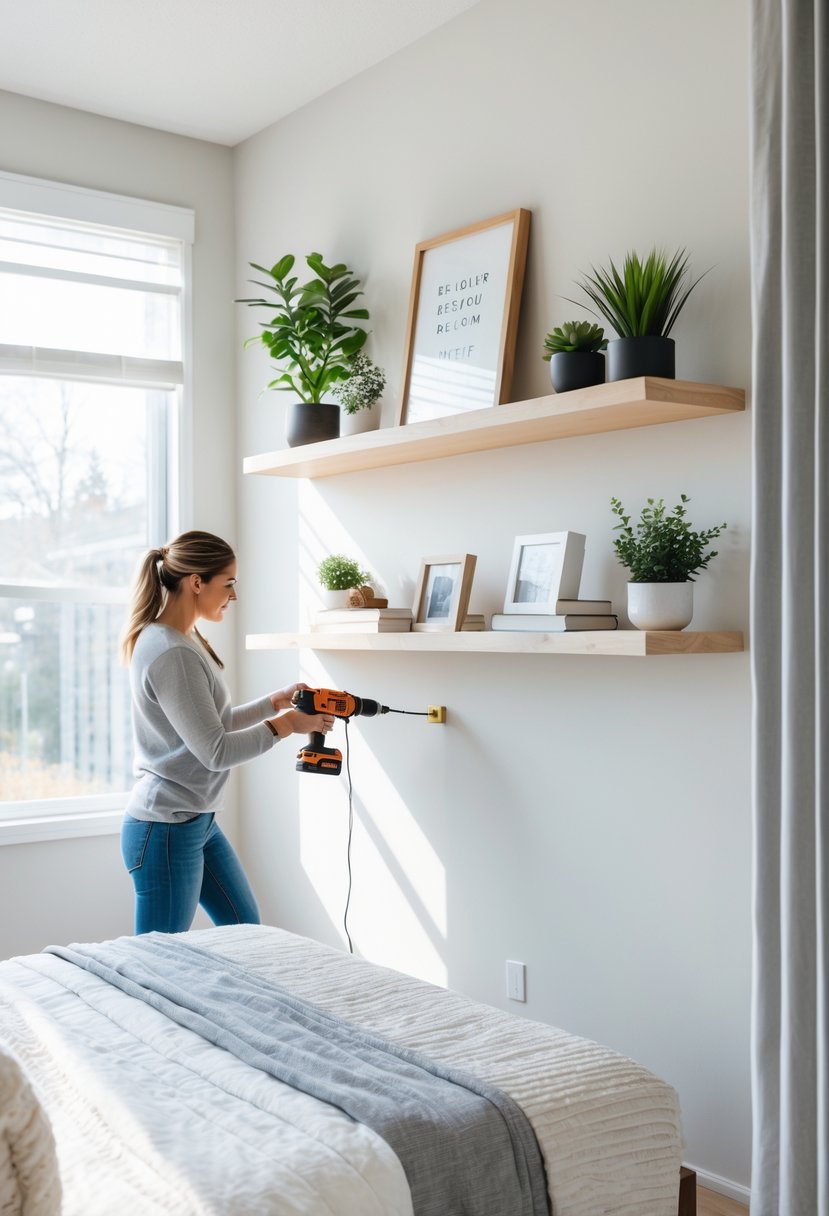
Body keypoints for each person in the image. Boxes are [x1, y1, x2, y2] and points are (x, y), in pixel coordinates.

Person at [118, 529, 334, 935]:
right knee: (159, 957)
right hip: (166, 827)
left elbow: (207, 726)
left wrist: (274, 703)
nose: (234, 595)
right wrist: (288, 725)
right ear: (196, 582)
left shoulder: (181, 640)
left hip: (195, 820)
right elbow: (215, 751)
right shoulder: (171, 651)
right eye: (228, 583)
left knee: (244, 930)